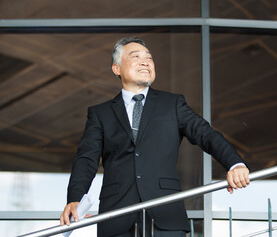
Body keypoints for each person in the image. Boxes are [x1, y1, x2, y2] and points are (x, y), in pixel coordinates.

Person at [60, 37, 250, 237]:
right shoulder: (101, 113)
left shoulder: (173, 104)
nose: (146, 61)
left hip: (166, 218)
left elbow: (206, 134)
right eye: (136, 57)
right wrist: (75, 199)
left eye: (149, 58)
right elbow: (86, 159)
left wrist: (234, 164)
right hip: (117, 219)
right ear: (117, 68)